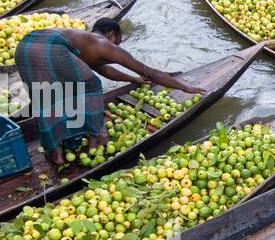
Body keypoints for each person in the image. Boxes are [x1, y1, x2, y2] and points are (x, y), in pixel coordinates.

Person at [14, 18, 207, 164]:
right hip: (50, 46)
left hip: (25, 46)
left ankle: (55, 151)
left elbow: (105, 70)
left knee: (46, 95)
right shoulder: (102, 43)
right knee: (91, 85)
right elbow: (150, 72)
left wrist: (133, 79)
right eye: (119, 41)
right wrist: (185, 87)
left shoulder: (84, 41)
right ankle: (97, 136)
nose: (118, 46)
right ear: (112, 34)